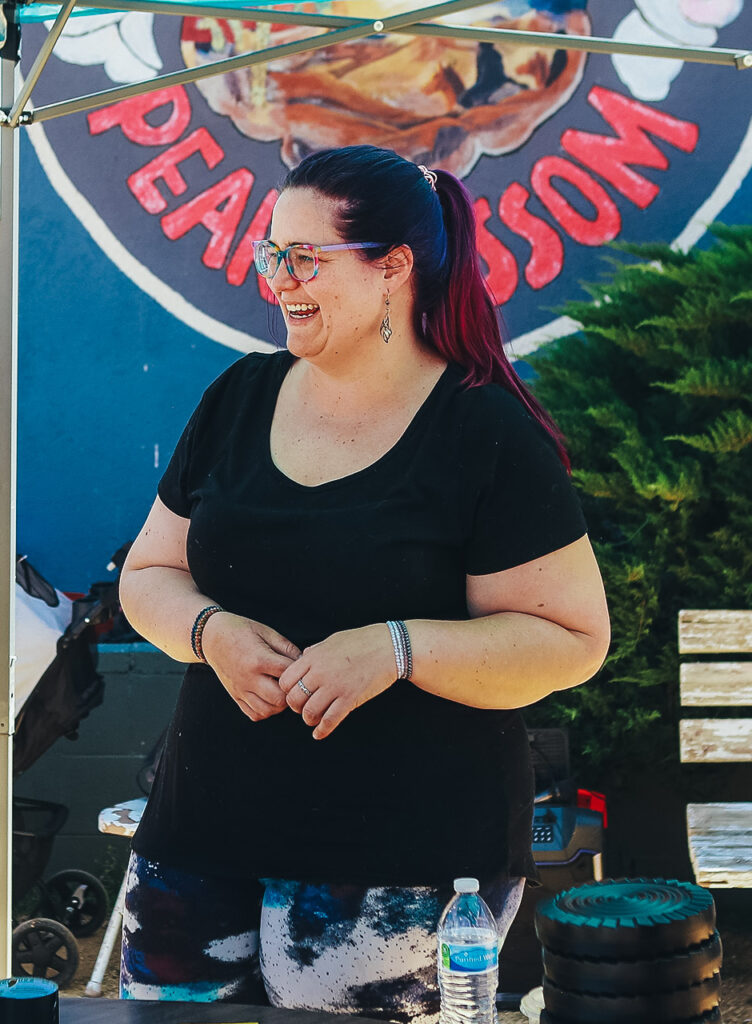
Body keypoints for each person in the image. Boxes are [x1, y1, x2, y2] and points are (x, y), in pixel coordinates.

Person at [116, 145, 610, 1021]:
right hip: (200, 831)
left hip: (405, 862)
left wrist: (397, 649)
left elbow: (573, 640)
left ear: (393, 267)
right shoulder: (238, 396)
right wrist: (208, 631)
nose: (278, 279)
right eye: (272, 254)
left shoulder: (484, 429)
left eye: (305, 258)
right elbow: (149, 573)